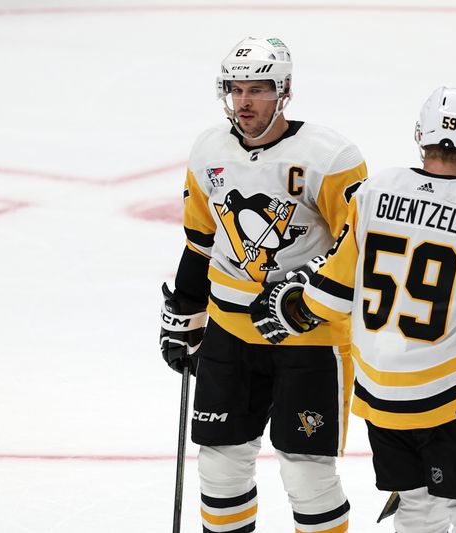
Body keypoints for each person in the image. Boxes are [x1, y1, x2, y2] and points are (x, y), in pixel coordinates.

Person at [251, 87, 456, 533]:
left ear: (419, 135)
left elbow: (332, 293)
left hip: (379, 399)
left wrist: (293, 306)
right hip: (449, 399)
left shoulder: (375, 191)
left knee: (415, 506)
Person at [159, 37, 368, 533]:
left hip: (308, 339)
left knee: (306, 471)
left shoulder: (331, 156)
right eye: (236, 89)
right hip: (229, 336)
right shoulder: (209, 149)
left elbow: (358, 249)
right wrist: (185, 316)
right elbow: (201, 241)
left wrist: (305, 301)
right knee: (219, 464)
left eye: (258, 89)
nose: (245, 101)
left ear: (285, 91)